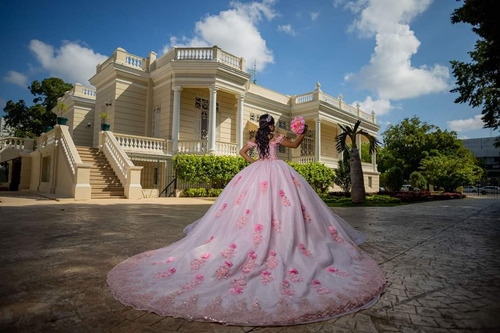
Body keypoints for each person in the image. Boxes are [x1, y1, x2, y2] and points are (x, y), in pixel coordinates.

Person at [107, 114, 385, 326]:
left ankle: (261, 237)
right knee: (283, 207)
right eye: (273, 125)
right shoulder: (276, 140)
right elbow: (296, 143)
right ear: (272, 127)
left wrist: (255, 164)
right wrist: (302, 131)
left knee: (249, 210)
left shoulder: (257, 140)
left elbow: (242, 153)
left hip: (257, 174)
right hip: (277, 173)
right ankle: (284, 238)